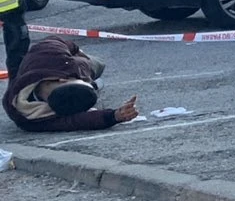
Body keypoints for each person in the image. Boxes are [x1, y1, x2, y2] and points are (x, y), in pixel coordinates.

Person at [4, 37, 139, 132]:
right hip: (75, 71)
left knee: (99, 64)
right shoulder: (29, 118)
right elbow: (76, 121)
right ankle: (94, 85)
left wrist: (77, 51)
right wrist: (114, 116)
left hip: (78, 64)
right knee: (94, 77)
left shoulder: (48, 56)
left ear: (63, 79)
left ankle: (92, 78)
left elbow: (57, 41)